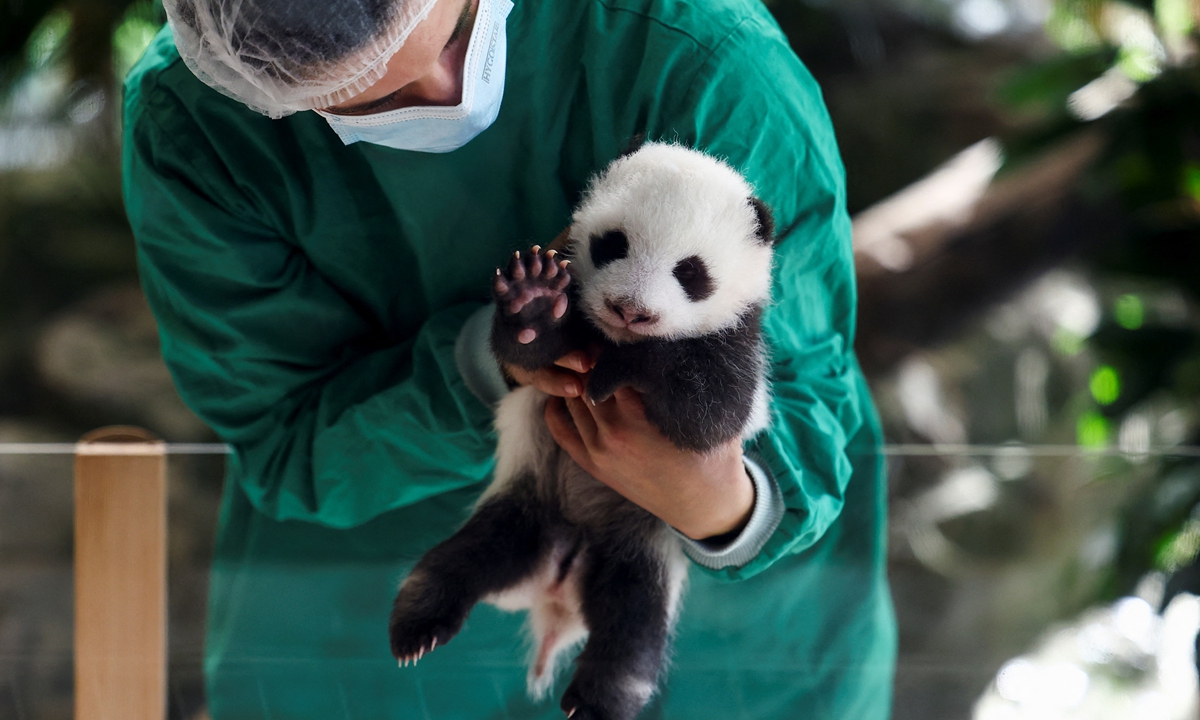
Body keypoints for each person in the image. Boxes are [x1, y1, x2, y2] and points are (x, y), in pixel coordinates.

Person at [122, 0, 897, 717]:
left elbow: (799, 374)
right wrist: (488, 363)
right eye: (366, 99)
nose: (440, 88)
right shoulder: (199, 123)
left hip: (741, 655)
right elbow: (284, 437)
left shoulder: (691, 50)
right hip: (369, 633)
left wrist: (724, 503)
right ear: (264, 88)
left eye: (453, 29)